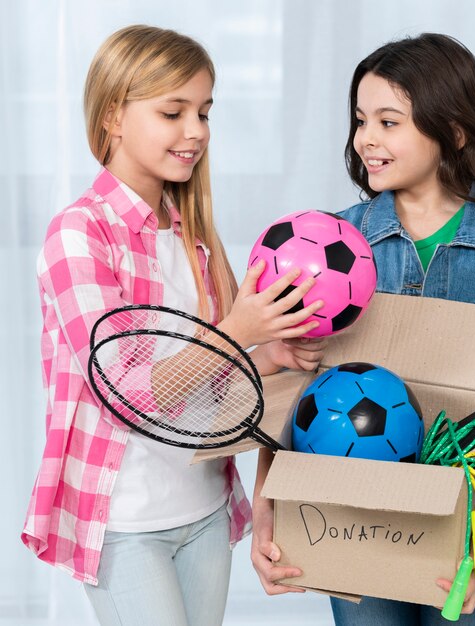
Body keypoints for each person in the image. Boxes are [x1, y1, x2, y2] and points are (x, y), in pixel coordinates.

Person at [251, 33, 475, 626]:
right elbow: (293, 396)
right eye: (360, 119)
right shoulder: (326, 245)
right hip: (350, 521)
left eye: (388, 121)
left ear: (452, 129)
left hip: (470, 534)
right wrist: (266, 514)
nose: (365, 139)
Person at [21, 25, 325, 626]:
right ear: (113, 116)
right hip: (126, 522)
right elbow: (130, 394)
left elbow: (202, 386)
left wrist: (269, 359)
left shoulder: (193, 238)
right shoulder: (78, 234)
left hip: (204, 507)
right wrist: (239, 330)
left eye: (204, 112)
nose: (196, 132)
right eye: (173, 111)